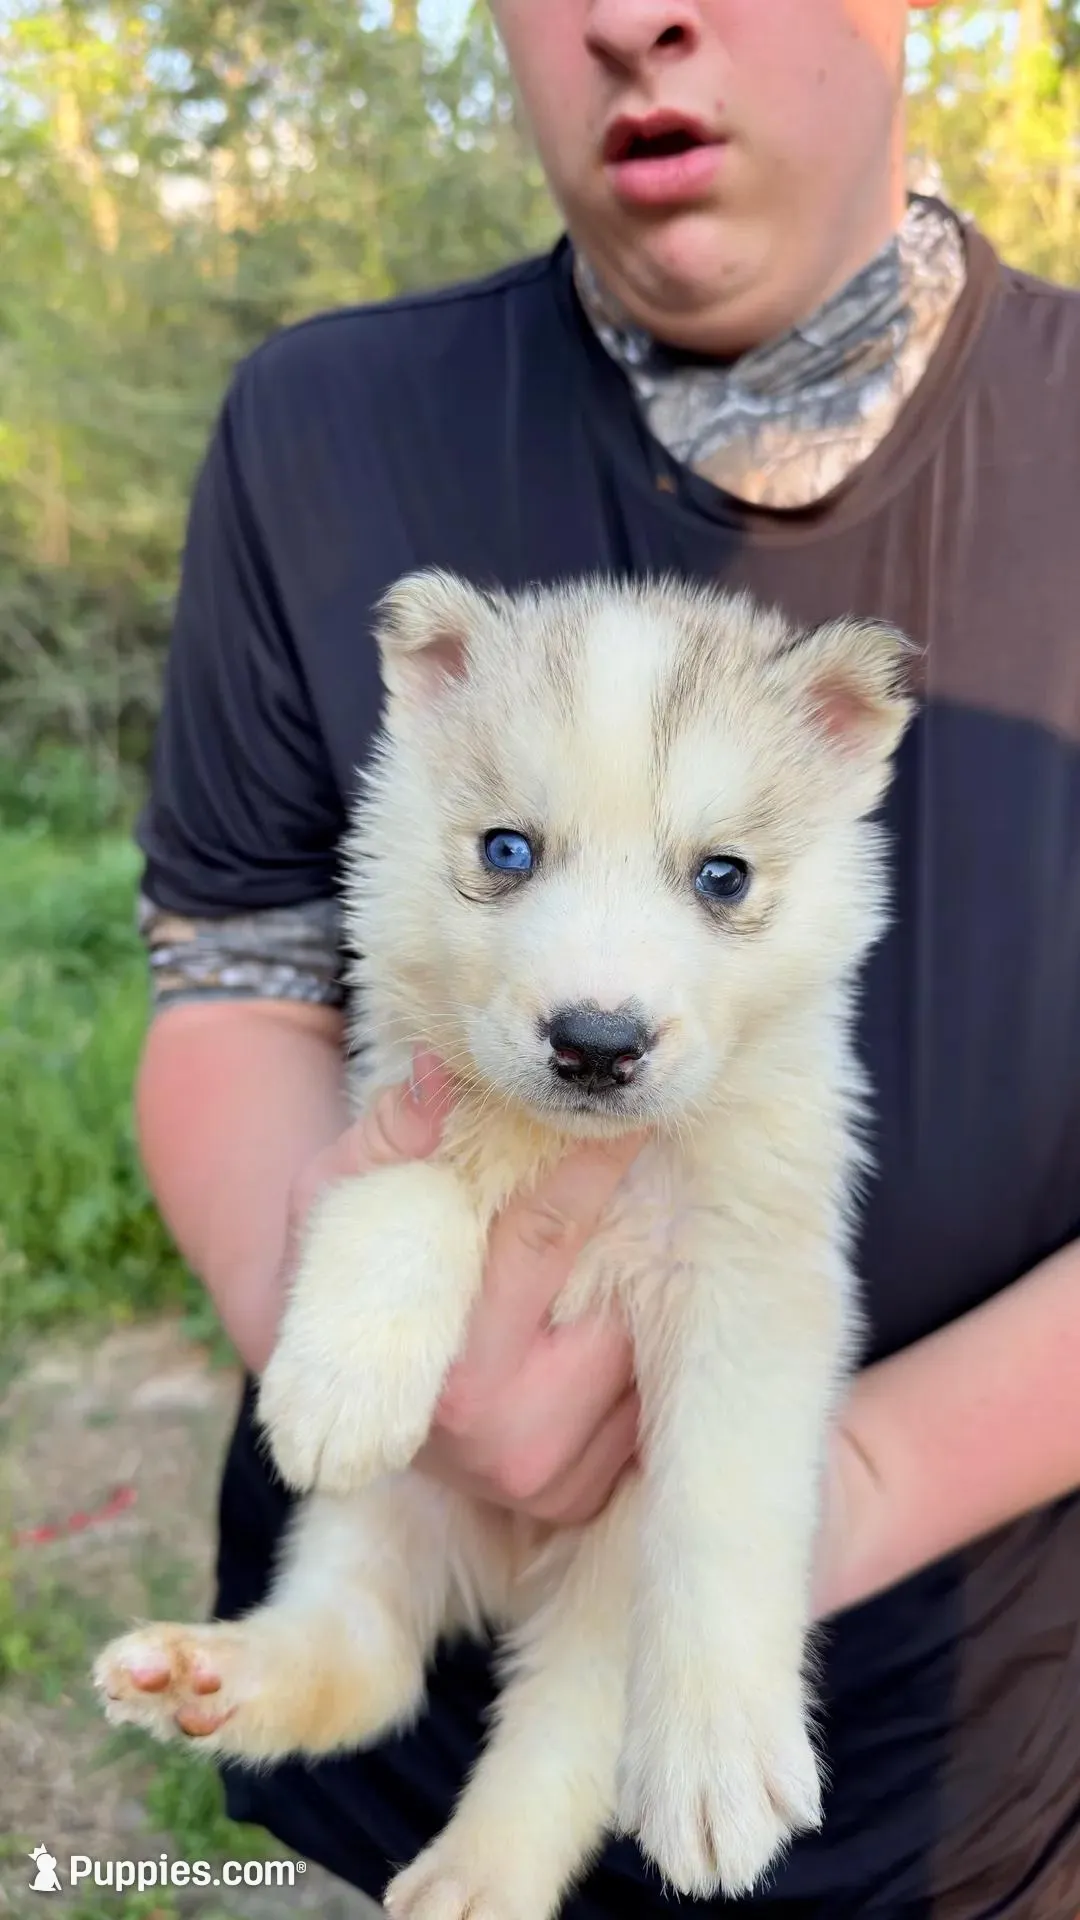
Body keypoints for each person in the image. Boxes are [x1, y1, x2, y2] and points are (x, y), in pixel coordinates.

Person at [132, 1, 1080, 1913]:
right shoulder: (319, 425)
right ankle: (342, 1674)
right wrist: (374, 1340)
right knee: (390, 1624)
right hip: (383, 1762)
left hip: (976, 1768)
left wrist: (838, 1500)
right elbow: (230, 978)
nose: (640, 11)